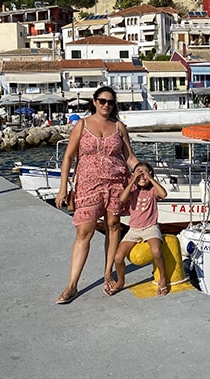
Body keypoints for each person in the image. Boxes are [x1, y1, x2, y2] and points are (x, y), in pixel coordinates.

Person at [54, 86, 139, 304]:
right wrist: (63, 187)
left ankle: (108, 273)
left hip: (116, 183)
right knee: (85, 231)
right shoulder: (82, 125)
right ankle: (72, 284)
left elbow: (128, 156)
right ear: (94, 101)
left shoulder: (119, 127)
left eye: (110, 102)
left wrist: (142, 172)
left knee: (113, 226)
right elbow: (68, 157)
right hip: (88, 184)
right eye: (102, 101)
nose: (106, 105)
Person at [107, 161, 168, 296]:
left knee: (156, 251)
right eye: (138, 174)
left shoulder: (152, 190)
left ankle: (163, 278)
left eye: (144, 174)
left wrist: (150, 178)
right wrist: (133, 179)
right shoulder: (133, 190)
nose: (142, 177)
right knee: (118, 257)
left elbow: (163, 194)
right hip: (134, 229)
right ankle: (121, 281)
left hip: (150, 227)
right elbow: (122, 198)